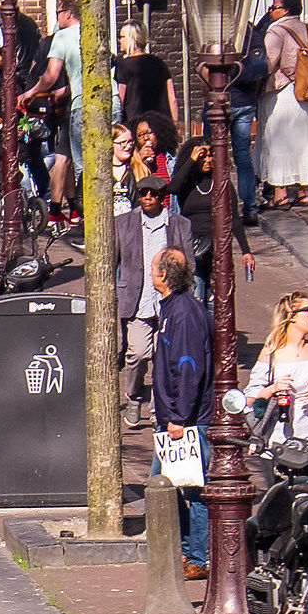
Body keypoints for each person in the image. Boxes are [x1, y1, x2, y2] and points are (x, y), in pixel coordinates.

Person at [149, 247, 214, 579]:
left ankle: (197, 556)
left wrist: (179, 416)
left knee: (190, 485)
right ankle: (187, 550)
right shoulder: (173, 309)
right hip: (174, 415)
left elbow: (188, 367)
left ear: (163, 275)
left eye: (152, 269)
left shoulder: (184, 313)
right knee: (165, 484)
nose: (149, 274)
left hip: (185, 420)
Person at [119, 173, 192, 428]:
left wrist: (185, 300)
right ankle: (134, 395)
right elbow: (113, 262)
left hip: (167, 301)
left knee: (164, 356)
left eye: (153, 194)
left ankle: (159, 404)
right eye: (143, 193)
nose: (147, 198)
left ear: (163, 198)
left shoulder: (180, 225)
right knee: (138, 354)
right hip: (137, 301)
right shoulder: (123, 223)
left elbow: (188, 264)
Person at [259, 0, 308, 208]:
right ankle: (305, 192)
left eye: (273, 6)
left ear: (283, 8)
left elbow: (268, 64)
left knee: (280, 142)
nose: (270, 11)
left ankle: (281, 194)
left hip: (284, 94)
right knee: (306, 143)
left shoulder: (276, 31)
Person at [245, 291, 308, 448]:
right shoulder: (272, 352)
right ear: (291, 316)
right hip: (277, 442)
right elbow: (249, 399)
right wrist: (273, 388)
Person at [170, 134, 255, 298]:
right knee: (196, 295)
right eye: (204, 156)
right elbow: (173, 188)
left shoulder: (223, 184)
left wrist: (246, 250)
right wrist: (192, 159)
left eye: (211, 155)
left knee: (217, 300)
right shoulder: (187, 183)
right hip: (192, 246)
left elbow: (234, 218)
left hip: (217, 248)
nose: (208, 159)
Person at [25, 0, 80, 226]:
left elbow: (49, 76)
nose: (56, 18)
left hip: (76, 106)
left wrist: (30, 94)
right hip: (98, 101)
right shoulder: (94, 33)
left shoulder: (62, 36)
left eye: (58, 13)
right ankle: (73, 208)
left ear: (68, 13)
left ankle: (65, 210)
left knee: (70, 160)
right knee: (66, 157)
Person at [229, 6, 269, 225]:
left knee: (213, 154)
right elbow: (263, 68)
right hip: (247, 101)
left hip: (224, 100)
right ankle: (250, 208)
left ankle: (219, 205)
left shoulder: (222, 32)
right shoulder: (254, 33)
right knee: (243, 156)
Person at [113, 22, 174, 123]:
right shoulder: (160, 63)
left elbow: (120, 101)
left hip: (134, 124)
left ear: (131, 39)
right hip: (160, 124)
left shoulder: (123, 66)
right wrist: (174, 125)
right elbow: (172, 98)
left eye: (122, 36)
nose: (119, 40)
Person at [132, 112, 179, 182]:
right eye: (140, 135)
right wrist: (139, 160)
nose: (146, 138)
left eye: (150, 133)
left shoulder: (173, 158)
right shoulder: (132, 161)